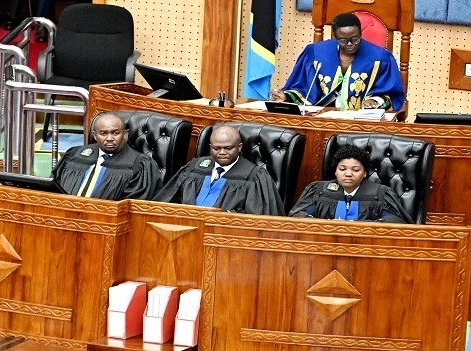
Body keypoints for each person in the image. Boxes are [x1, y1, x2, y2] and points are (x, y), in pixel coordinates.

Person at [270, 13, 405, 111]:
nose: (350, 44)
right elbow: (304, 87)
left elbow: (390, 93)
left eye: (355, 39)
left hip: (360, 121)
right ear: (335, 37)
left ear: (360, 34)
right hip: (321, 118)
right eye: (343, 41)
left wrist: (375, 101)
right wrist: (286, 97)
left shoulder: (380, 58)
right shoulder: (316, 53)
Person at [153, 125, 284, 215]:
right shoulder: (194, 168)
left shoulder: (254, 177)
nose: (222, 152)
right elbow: (167, 201)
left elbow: (259, 218)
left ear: (239, 147)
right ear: (210, 146)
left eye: (228, 148)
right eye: (216, 148)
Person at [52, 112, 161, 201]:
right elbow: (52, 189)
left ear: (125, 134)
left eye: (115, 133)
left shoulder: (140, 164)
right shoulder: (74, 154)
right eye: (103, 133)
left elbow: (134, 207)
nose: (109, 138)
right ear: (95, 135)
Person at [289, 147, 412, 223]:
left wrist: (360, 227)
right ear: (336, 171)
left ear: (364, 173)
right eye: (342, 169)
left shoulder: (380, 194)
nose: (348, 174)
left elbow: (394, 221)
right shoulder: (319, 191)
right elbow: (298, 215)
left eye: (355, 170)